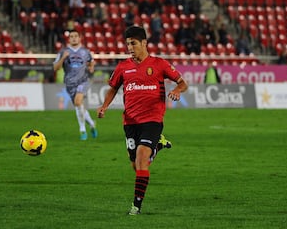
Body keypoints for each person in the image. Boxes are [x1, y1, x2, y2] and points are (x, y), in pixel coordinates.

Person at [97, 26, 188, 215]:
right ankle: (158, 146)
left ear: (144, 43)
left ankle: (135, 207)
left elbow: (182, 82)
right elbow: (113, 88)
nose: (130, 47)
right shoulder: (123, 67)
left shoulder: (160, 64)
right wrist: (104, 106)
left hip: (152, 119)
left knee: (141, 159)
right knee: (136, 164)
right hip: (130, 122)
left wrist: (177, 91)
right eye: (128, 43)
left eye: (134, 43)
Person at [53, 29, 98, 140]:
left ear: (79, 38)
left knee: (78, 102)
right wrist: (63, 58)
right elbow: (55, 68)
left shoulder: (85, 51)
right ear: (69, 39)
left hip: (83, 80)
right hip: (69, 83)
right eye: (71, 36)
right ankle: (92, 124)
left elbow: (91, 62)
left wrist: (91, 67)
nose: (73, 38)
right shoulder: (63, 52)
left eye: (75, 36)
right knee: (79, 106)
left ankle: (82, 130)